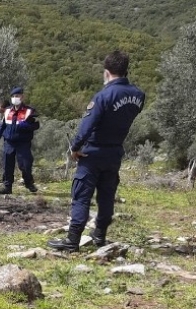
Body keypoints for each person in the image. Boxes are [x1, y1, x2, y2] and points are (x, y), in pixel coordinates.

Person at [48, 51, 146, 252]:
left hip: (92, 153)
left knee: (82, 195)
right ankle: (100, 235)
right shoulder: (138, 95)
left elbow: (86, 127)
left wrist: (75, 148)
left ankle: (72, 241)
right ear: (126, 70)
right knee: (107, 195)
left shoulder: (103, 96)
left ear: (107, 72)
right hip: (115, 152)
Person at [0, 87, 40, 194]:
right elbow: (1, 127)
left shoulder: (29, 111)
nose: (15, 98)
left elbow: (36, 125)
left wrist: (27, 125)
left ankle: (28, 183)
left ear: (22, 97)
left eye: (17, 96)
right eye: (13, 96)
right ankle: (7, 187)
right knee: (7, 166)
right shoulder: (7, 110)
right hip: (9, 143)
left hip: (23, 144)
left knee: (26, 165)